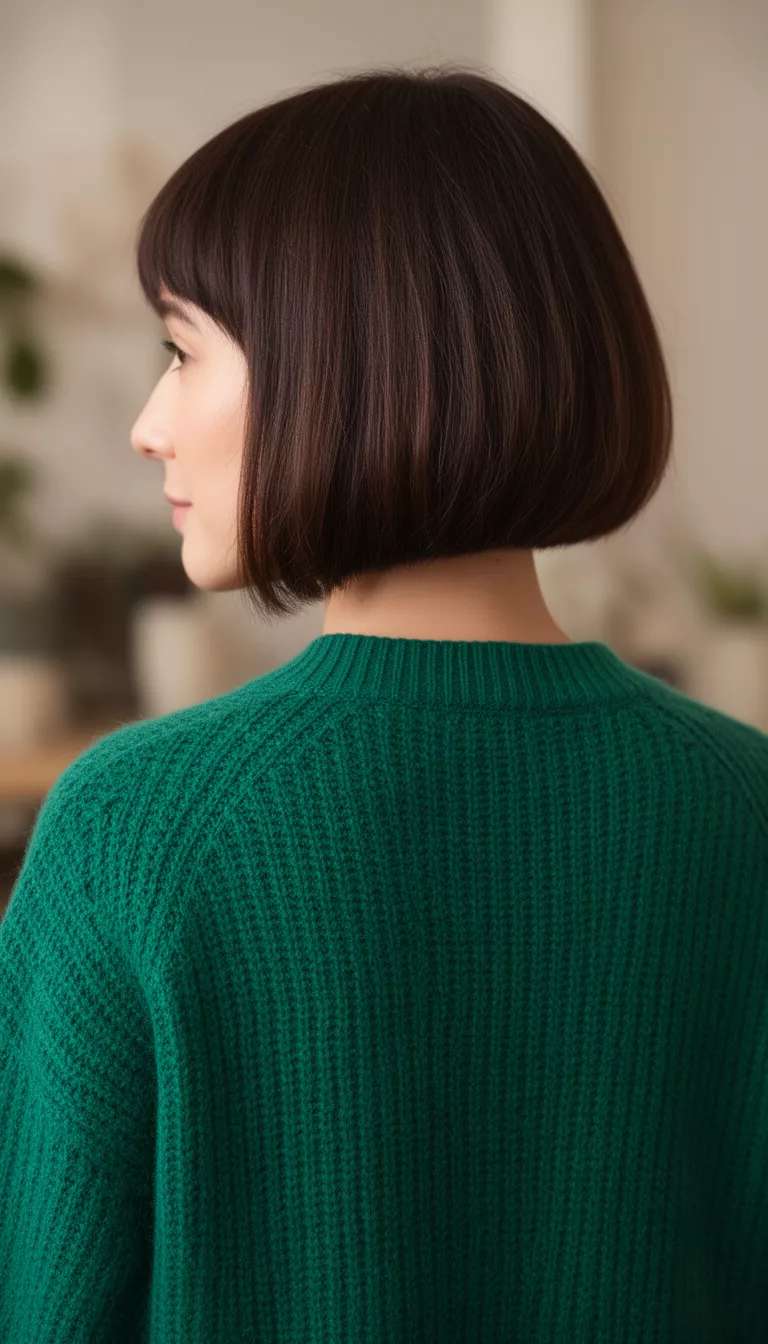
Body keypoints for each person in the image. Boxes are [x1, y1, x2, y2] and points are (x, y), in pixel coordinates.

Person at [1, 64, 767, 1343]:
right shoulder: (745, 813)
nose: (147, 425)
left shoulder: (135, 832)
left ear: (347, 365)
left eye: (184, 352)